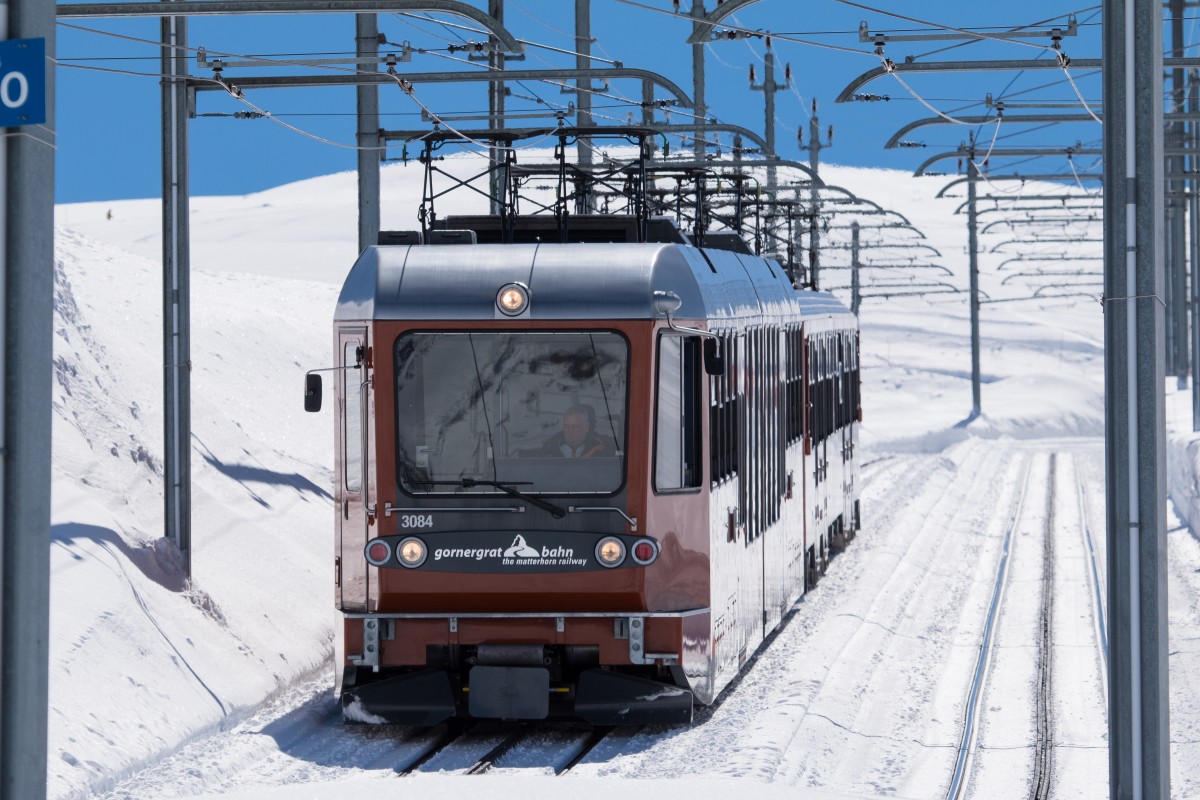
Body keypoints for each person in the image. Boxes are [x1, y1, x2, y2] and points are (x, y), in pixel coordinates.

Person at [533, 404, 608, 458]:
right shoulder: (549, 447)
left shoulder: (599, 448)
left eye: (575, 427)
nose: (570, 431)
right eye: (567, 426)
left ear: (587, 426)